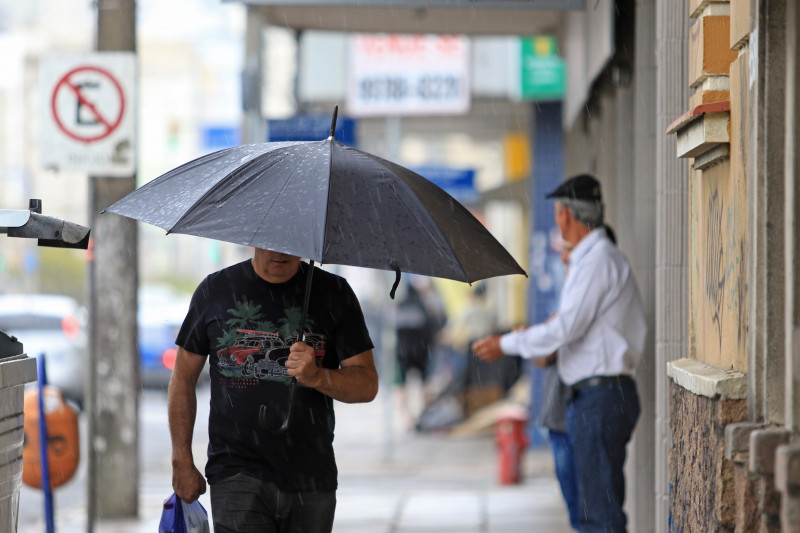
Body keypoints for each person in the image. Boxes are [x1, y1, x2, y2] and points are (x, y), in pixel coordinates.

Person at [472, 174, 647, 533]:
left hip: (601, 398)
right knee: (591, 512)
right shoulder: (590, 260)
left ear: (566, 215)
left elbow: (565, 329)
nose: (557, 220)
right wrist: (534, 341)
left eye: (557, 212)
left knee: (601, 514)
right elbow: (566, 336)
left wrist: (506, 343)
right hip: (595, 396)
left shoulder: (597, 260)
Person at [169, 248, 378, 533]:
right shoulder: (215, 290)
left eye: (292, 243)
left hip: (311, 475)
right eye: (272, 242)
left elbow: (367, 385)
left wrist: (317, 376)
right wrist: (181, 458)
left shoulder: (333, 292)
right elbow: (182, 378)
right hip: (236, 472)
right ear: (254, 237)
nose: (281, 252)